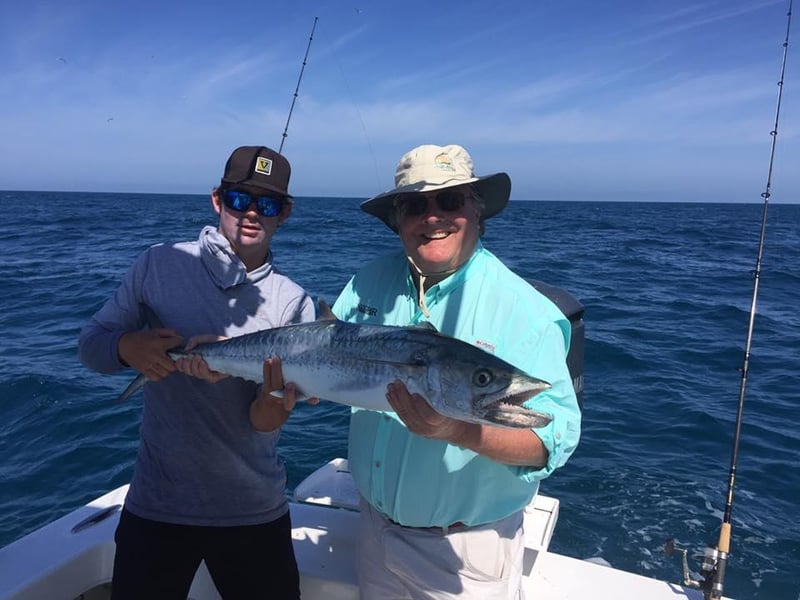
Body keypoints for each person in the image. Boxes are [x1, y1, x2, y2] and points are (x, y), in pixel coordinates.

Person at [332, 144, 582, 599]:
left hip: (466, 555)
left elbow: (553, 441)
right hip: (371, 530)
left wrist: (460, 431)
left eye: (449, 201)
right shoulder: (367, 282)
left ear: (476, 210)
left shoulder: (528, 314)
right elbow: (326, 352)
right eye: (414, 205)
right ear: (396, 219)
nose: (432, 217)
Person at [78, 145, 315, 600]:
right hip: (157, 505)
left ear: (284, 214)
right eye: (239, 199)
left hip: (254, 511)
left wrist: (267, 398)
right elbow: (92, 347)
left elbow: (265, 421)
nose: (251, 213)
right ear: (216, 200)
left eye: (266, 204)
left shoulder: (293, 302)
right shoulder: (159, 264)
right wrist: (129, 348)